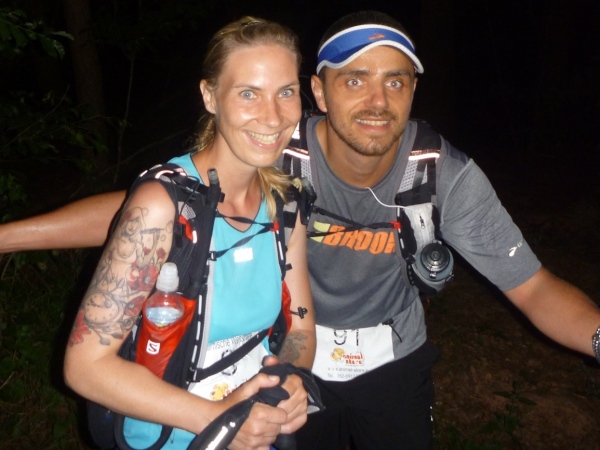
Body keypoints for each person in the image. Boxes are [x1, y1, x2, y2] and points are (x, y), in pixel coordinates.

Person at [1, 10, 599, 450]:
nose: (377, 100)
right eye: (354, 79)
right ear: (320, 91)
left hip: (383, 360)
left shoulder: (439, 174)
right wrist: (10, 236)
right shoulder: (276, 149)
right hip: (284, 367)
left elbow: (534, 287)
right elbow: (147, 211)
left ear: (414, 90)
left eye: (395, 80)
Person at [62, 16, 316, 450]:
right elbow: (85, 366)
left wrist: (291, 378)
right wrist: (219, 420)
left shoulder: (285, 205)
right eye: (249, 93)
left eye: (286, 92)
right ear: (210, 96)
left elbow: (300, 328)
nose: (273, 116)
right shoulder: (164, 204)